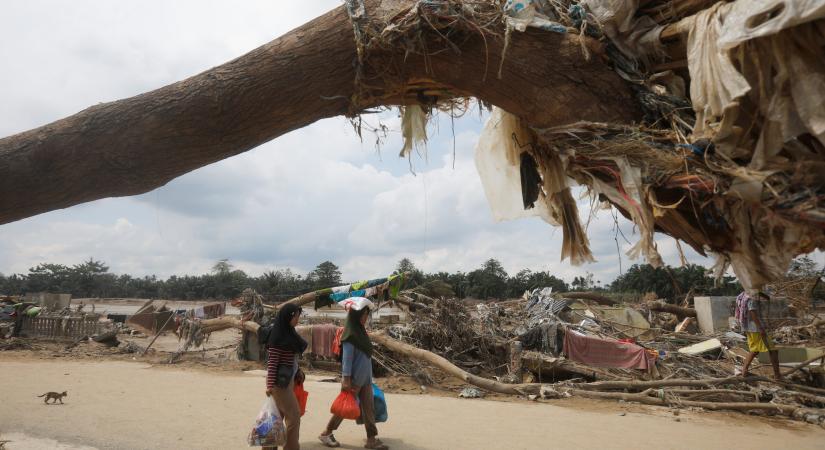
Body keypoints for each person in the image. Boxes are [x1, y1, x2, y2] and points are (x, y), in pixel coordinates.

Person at [319, 300, 388, 449]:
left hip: (366, 379)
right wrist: (346, 379)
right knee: (344, 409)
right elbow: (347, 359)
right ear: (356, 315)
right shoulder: (350, 336)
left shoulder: (361, 332)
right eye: (363, 315)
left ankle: (371, 439)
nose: (365, 318)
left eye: (367, 315)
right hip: (355, 380)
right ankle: (326, 432)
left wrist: (369, 377)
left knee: (369, 409)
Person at [265, 304, 307, 450]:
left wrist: (298, 371)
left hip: (287, 381)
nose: (297, 319)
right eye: (295, 316)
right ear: (287, 317)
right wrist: (270, 386)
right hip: (279, 384)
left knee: (275, 417)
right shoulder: (278, 338)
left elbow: (291, 360)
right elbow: (272, 364)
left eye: (298, 316)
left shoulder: (289, 334)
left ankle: (269, 447)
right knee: (294, 416)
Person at [736, 291, 782, 380]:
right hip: (755, 328)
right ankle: (777, 375)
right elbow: (752, 311)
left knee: (755, 350)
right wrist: (760, 328)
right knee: (773, 351)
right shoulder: (751, 297)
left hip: (748, 327)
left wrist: (765, 296)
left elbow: (759, 294)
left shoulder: (742, 295)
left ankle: (744, 371)